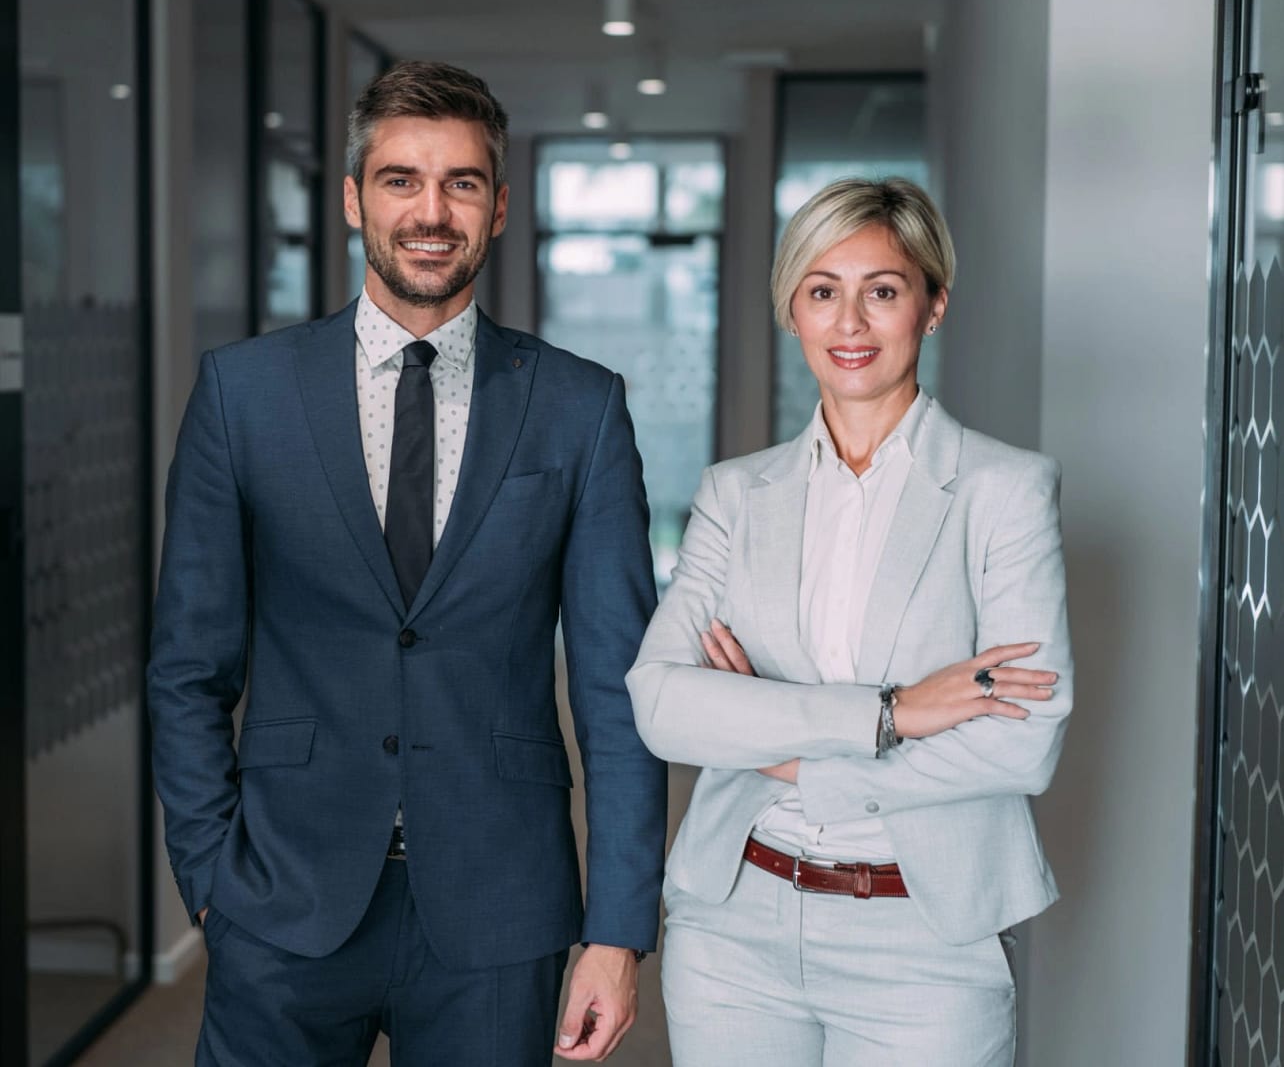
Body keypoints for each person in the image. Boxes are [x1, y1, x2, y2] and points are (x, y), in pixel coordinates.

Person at [148, 61, 666, 1066]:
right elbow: (187, 665)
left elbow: (618, 692)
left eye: (462, 182)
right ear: (352, 198)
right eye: (400, 179)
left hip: (499, 906)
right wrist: (209, 875)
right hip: (281, 894)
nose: (432, 210)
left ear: (499, 206)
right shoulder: (243, 395)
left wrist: (617, 928)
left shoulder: (580, 406)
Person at [627, 177, 1072, 1065]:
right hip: (734, 928)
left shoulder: (1005, 491)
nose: (851, 323)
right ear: (793, 312)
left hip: (924, 944)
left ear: (933, 304)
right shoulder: (734, 493)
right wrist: (893, 713)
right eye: (822, 291)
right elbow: (661, 703)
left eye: (883, 290)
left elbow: (1025, 743)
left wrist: (778, 747)